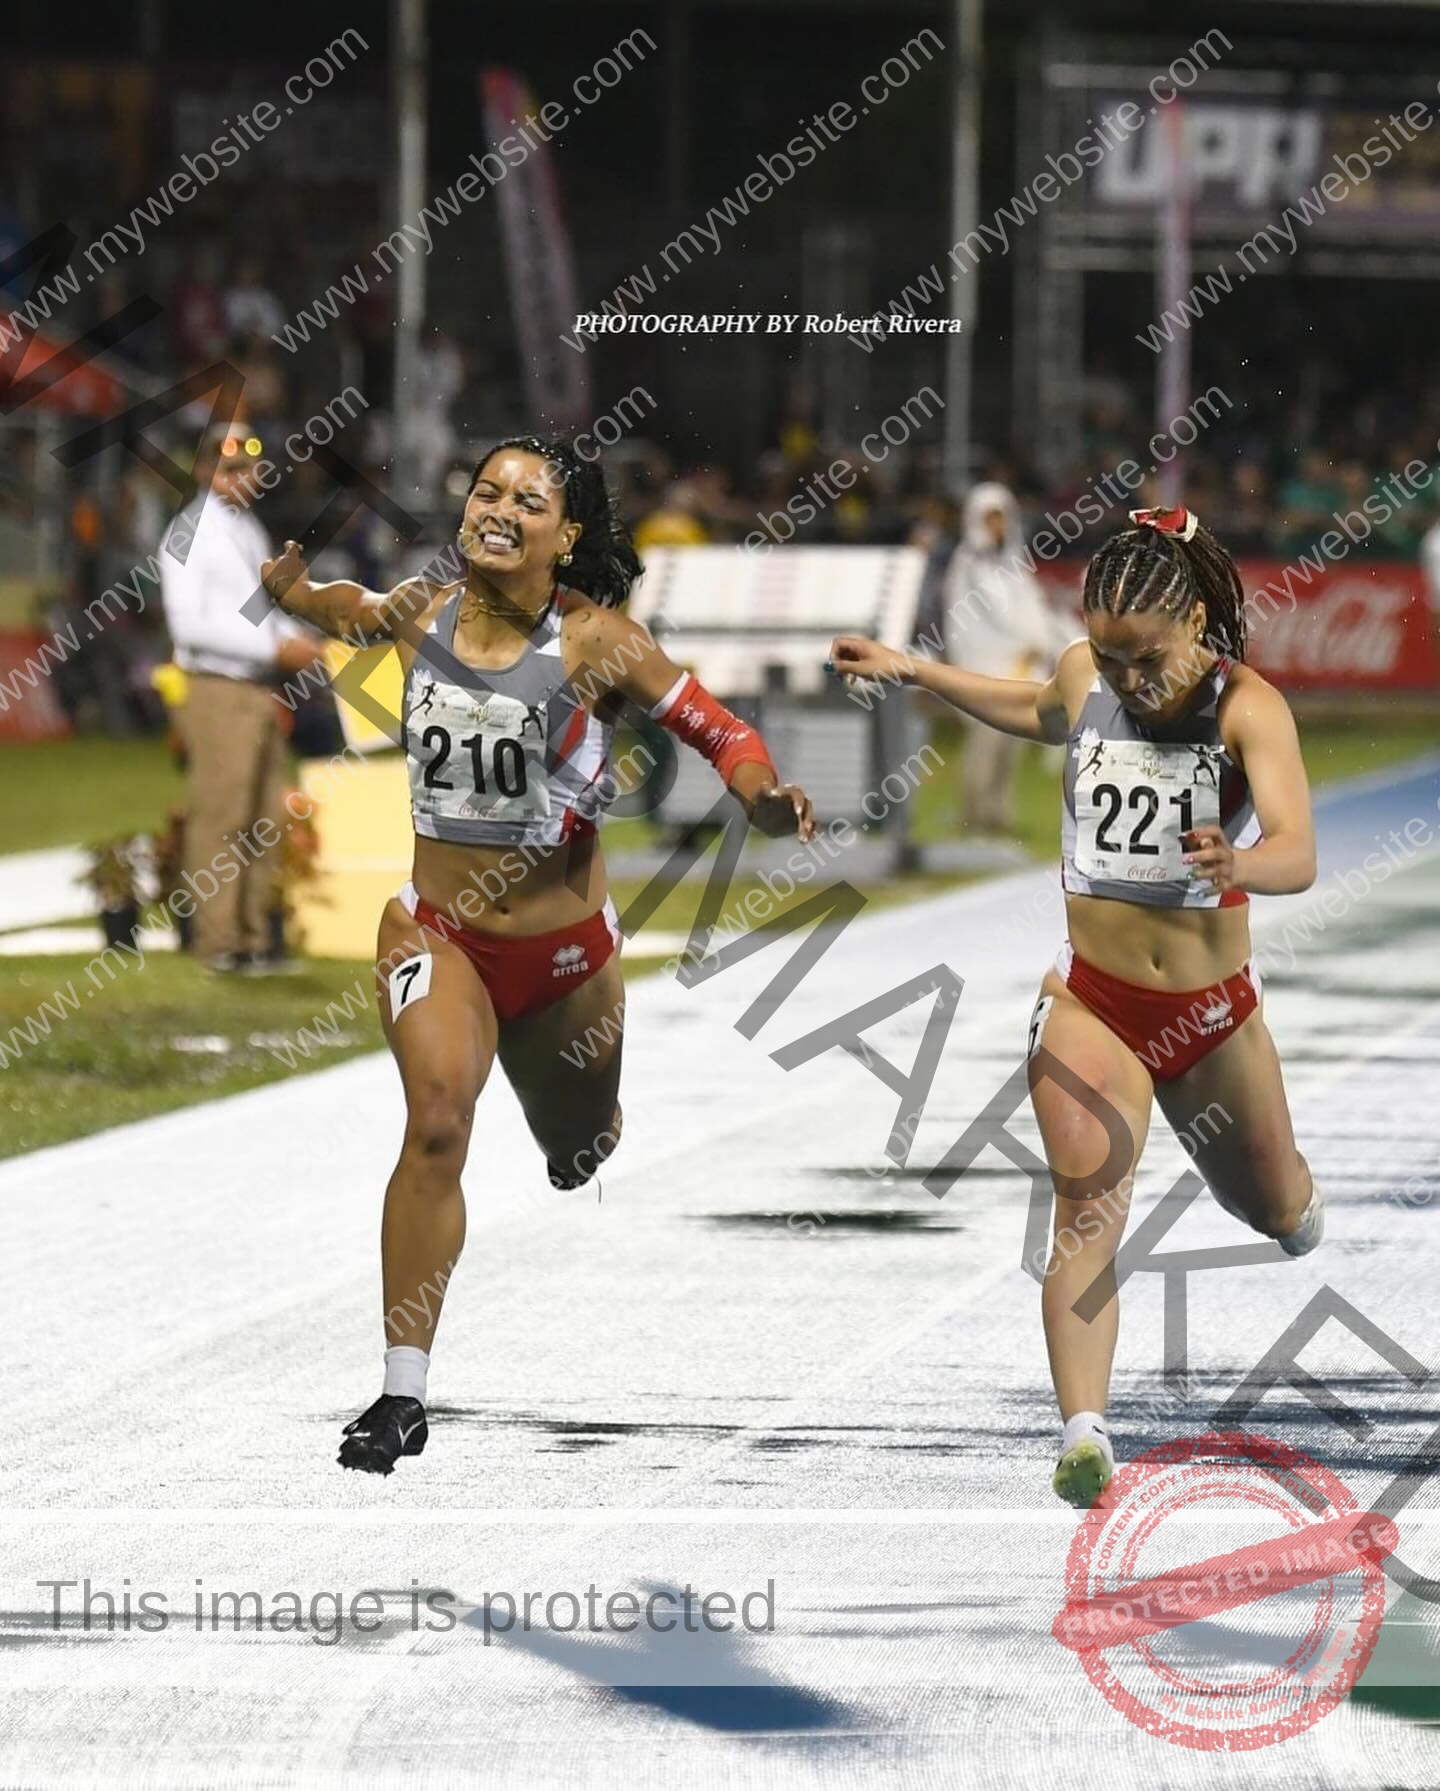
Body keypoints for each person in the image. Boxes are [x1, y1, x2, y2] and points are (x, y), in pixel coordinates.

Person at [260, 435, 816, 1475]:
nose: (500, 507)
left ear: (566, 538)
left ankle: (586, 1130)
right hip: (438, 934)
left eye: (530, 498)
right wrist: (295, 590)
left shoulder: (599, 643)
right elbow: (349, 611)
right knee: (436, 1122)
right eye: (486, 490)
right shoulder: (421, 612)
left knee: (577, 1151)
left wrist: (763, 796)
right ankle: (401, 1392)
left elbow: (721, 730)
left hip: (564, 963)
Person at [831, 506, 1323, 1509]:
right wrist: (916, 670)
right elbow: (1037, 708)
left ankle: (1292, 1209)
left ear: (1191, 620)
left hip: (1210, 1015)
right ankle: (1085, 1433)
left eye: (1145, 661)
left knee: (1272, 1208)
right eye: (1111, 659)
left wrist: (1242, 860)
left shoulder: (1247, 707)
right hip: (1093, 1003)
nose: (1129, 682)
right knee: (1086, 1198)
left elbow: (1300, 851)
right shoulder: (1087, 673)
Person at [158, 435, 327, 970]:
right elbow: (189, 627)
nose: (244, 477)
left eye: (251, 467)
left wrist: (307, 640)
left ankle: (253, 940)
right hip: (216, 687)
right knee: (223, 816)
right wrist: (276, 647)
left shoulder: (246, 527)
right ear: (206, 468)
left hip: (257, 688)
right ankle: (219, 942)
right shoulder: (187, 532)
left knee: (262, 819)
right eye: (232, 466)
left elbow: (261, 609)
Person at [940, 482, 1075, 833]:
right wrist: (1036, 639)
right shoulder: (971, 561)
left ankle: (998, 814)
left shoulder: (1010, 561)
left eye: (1002, 517)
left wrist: (1048, 638)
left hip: (1016, 666)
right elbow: (997, 610)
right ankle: (975, 814)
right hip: (983, 668)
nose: (998, 525)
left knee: (1010, 743)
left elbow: (1031, 606)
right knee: (985, 742)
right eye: (991, 518)